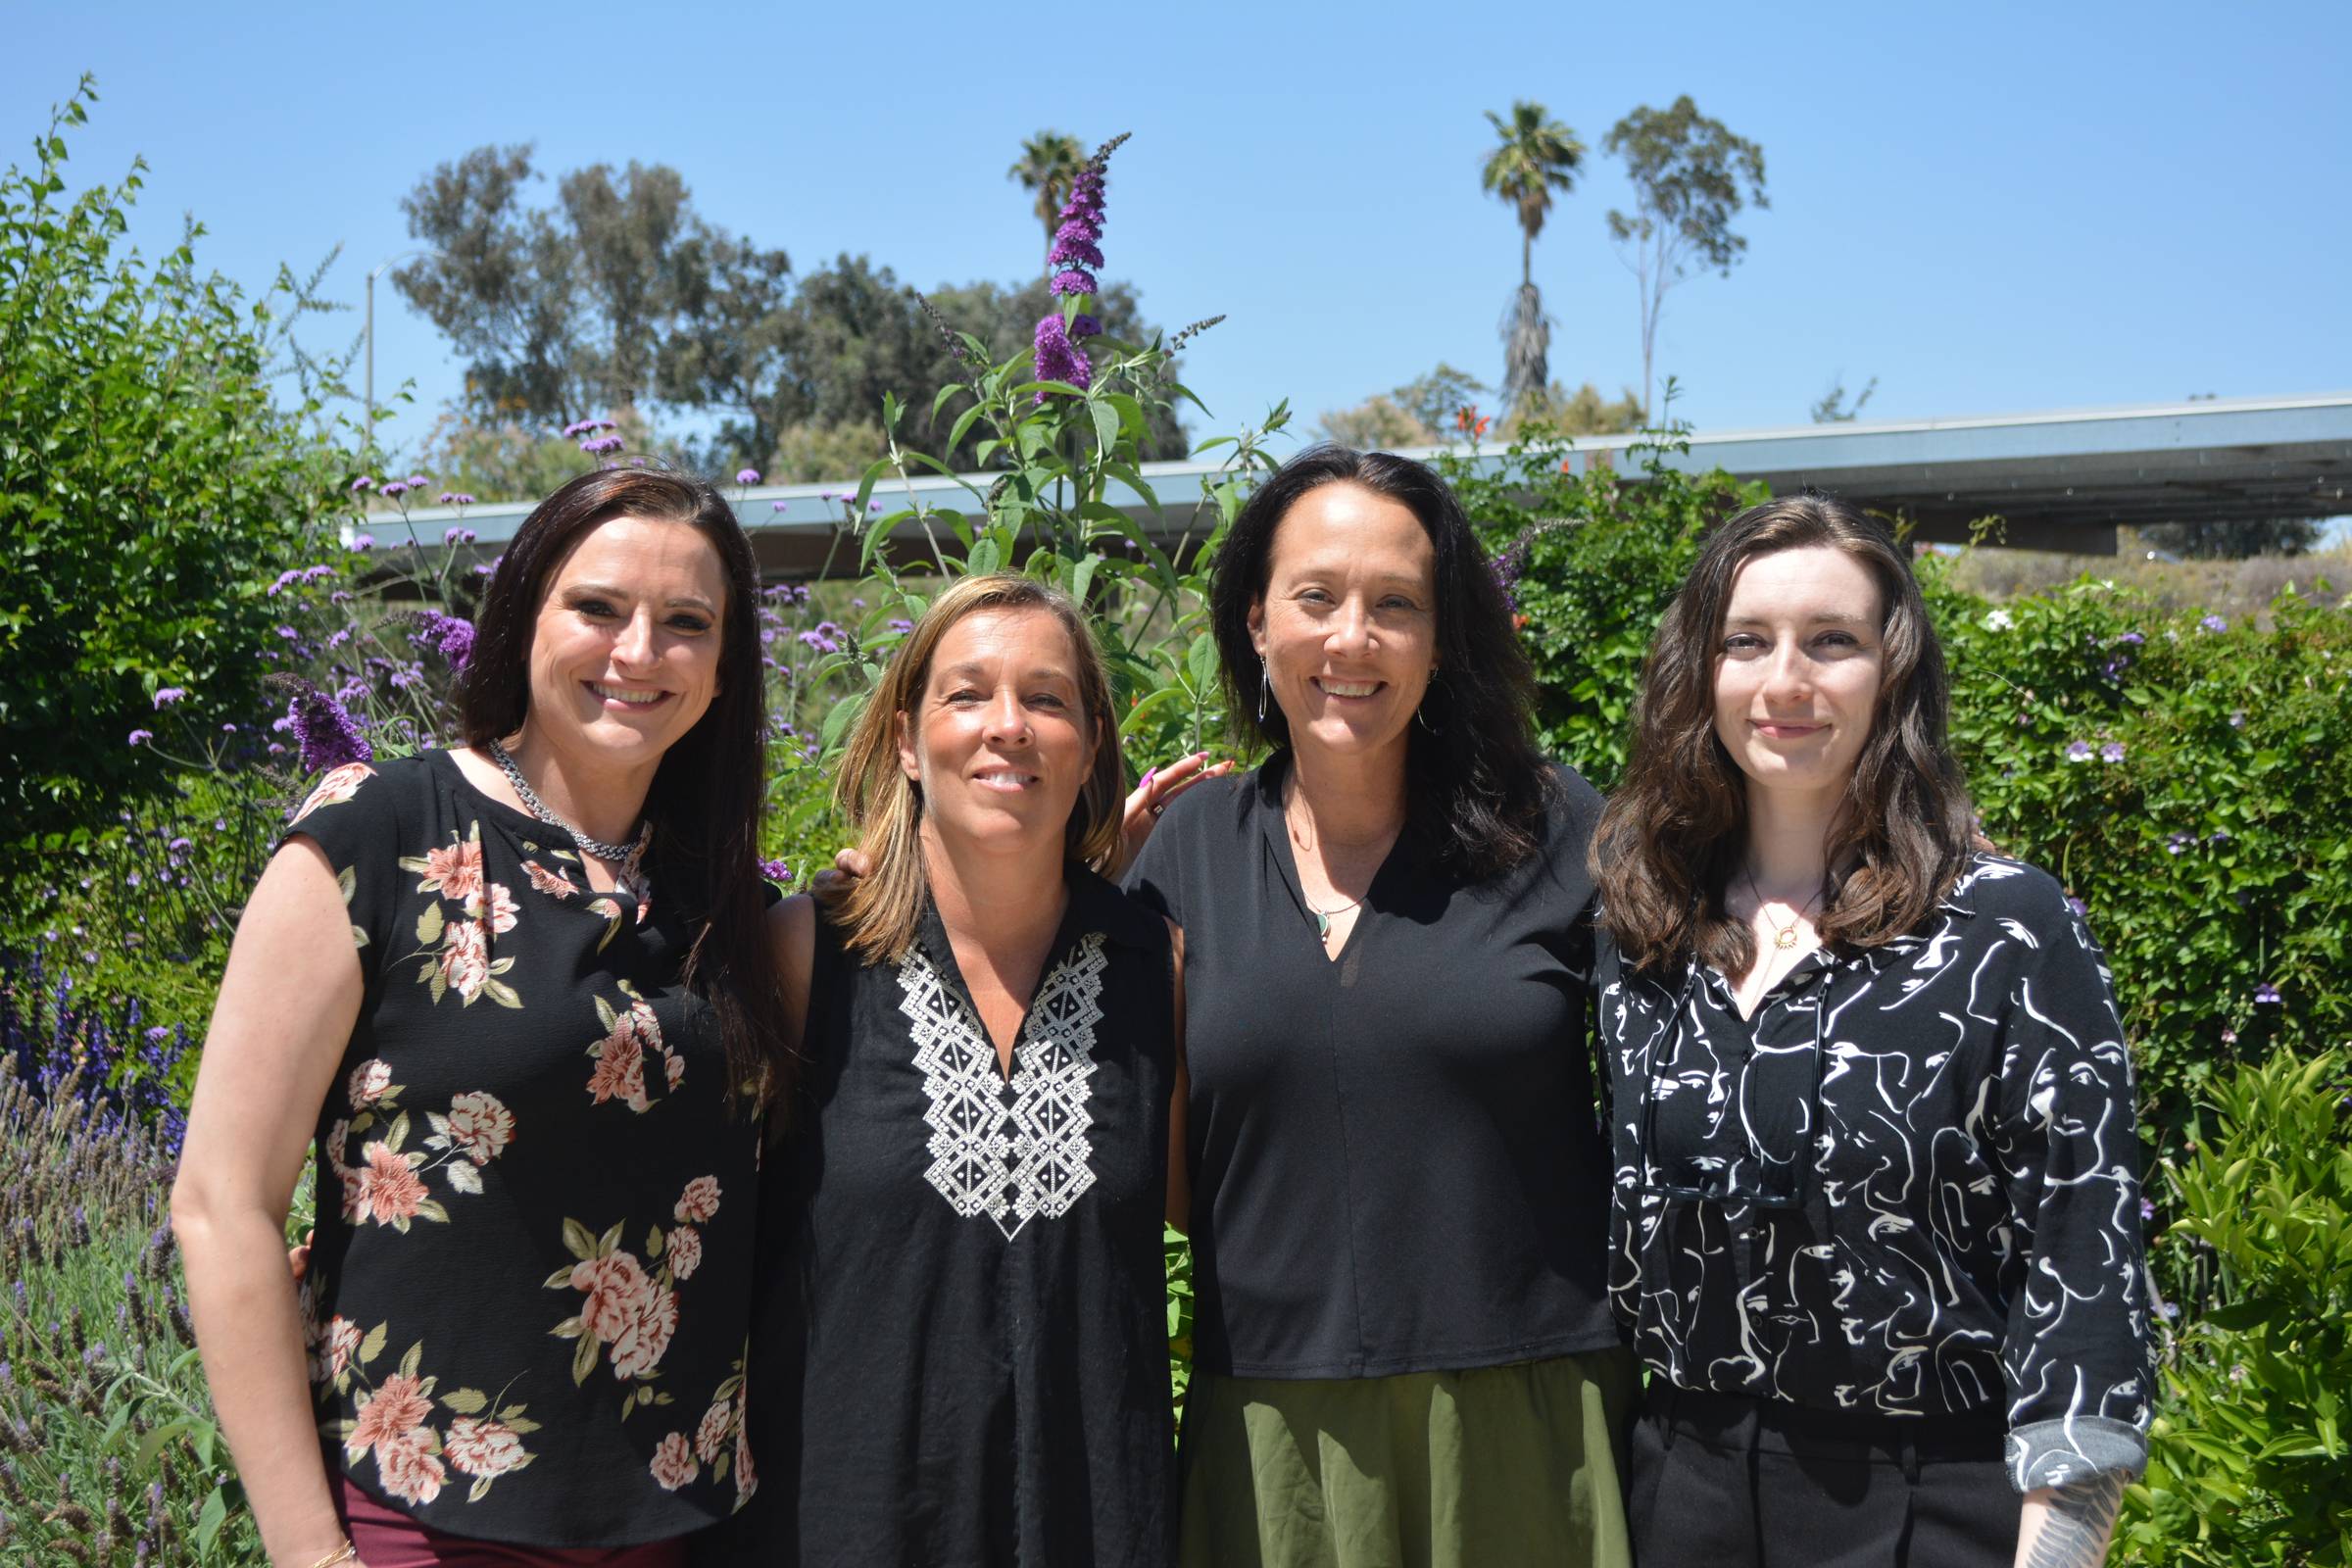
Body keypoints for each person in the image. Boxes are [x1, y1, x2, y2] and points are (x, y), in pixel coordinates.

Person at [172, 467, 791, 1568]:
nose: (639, 651)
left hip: (680, 1525)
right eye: (597, 607)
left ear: (725, 664)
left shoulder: (722, 895)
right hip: (423, 1521)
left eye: (687, 623)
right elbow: (224, 1203)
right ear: (522, 619)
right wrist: (310, 1553)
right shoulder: (376, 834)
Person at [1592, 492, 2150, 1567]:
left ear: (1893, 670)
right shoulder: (1643, 922)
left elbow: (2084, 1261)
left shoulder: (2003, 929)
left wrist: (2060, 1548)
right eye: (1746, 641)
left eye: (1832, 641)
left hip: (1925, 1498)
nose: (1785, 680)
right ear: (1699, 670)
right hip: (1678, 1486)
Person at [1127, 447, 1635, 1567]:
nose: (1352, 638)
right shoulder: (1186, 853)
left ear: (1442, 639)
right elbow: (1157, 1159)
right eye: (1315, 596)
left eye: (1396, 605)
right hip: (1272, 1432)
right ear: (1256, 621)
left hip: (1525, 1423)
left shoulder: (1558, 831)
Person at [715, 573, 1186, 1567]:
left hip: (1096, 1529)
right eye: (967, 694)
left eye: (1047, 698)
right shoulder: (807, 955)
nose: (1007, 725)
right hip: (837, 1531)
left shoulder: (1158, 971)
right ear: (904, 738)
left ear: (1090, 745)